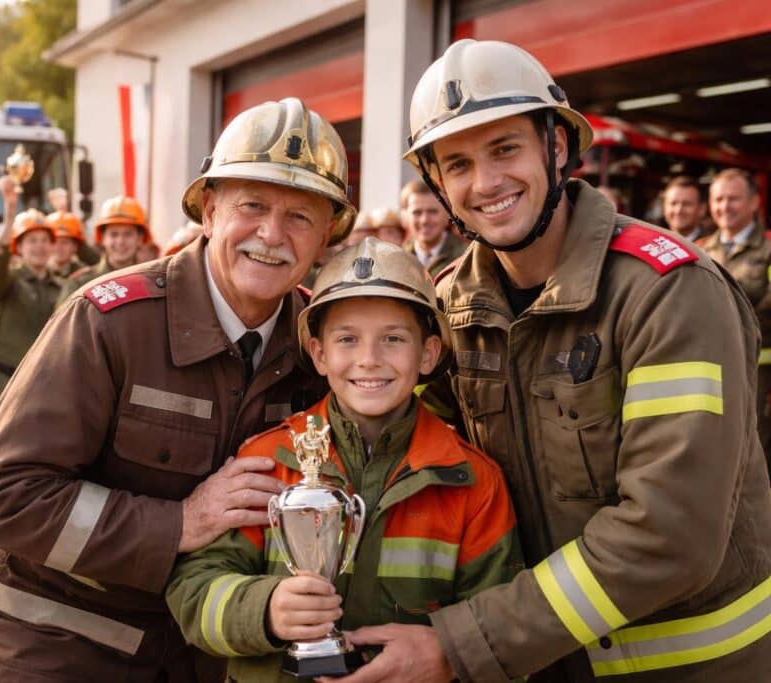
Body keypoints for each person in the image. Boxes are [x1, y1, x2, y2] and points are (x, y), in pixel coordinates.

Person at [329, 39, 771, 682]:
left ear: (557, 147)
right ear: (438, 185)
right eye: (458, 164)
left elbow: (669, 537)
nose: (486, 183)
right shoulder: (449, 309)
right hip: (536, 661)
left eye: (505, 149)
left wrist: (459, 646)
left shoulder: (669, 293)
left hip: (689, 666)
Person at [0, 97, 355, 682]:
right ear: (210, 211)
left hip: (203, 639)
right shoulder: (109, 323)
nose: (272, 235)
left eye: (301, 217)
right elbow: (3, 497)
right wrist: (179, 523)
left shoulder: (321, 344)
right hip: (58, 633)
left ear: (327, 236)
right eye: (252, 205)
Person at [166, 238, 521, 682]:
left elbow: (500, 628)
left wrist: (448, 657)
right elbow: (193, 592)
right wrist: (265, 610)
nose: (369, 360)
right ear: (319, 354)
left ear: (429, 353)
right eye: (347, 339)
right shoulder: (267, 461)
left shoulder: (473, 481)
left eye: (393, 339)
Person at [702, 168, 771, 469]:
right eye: (718, 199)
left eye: (733, 199)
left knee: (755, 447)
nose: (724, 206)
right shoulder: (700, 249)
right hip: (710, 367)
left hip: (759, 371)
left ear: (754, 203)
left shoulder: (768, 249)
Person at [0, 199, 62, 426]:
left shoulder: (62, 287)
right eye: (32, 240)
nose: (39, 247)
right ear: (19, 247)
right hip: (6, 381)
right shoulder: (10, 282)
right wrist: (8, 219)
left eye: (45, 240)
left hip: (46, 385)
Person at [54, 195, 153, 307]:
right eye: (114, 234)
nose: (120, 241)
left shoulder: (151, 283)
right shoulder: (79, 284)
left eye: (128, 234)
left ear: (140, 239)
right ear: (102, 238)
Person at [401, 178, 466, 279]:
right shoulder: (397, 259)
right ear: (405, 216)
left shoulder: (466, 258)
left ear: (447, 214)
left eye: (432, 212)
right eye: (417, 212)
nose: (424, 220)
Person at [662, 175, 711, 243]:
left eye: (686, 204)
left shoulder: (711, 245)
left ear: (702, 209)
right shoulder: (653, 243)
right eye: (673, 203)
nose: (678, 210)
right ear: (664, 207)